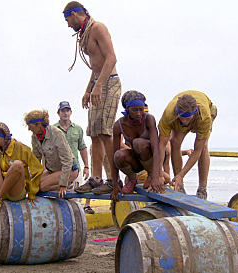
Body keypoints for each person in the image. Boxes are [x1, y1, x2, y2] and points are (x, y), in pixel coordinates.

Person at [63, 1, 122, 193]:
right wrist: (89, 90)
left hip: (109, 83)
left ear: (74, 14)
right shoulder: (85, 33)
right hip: (98, 83)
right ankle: (96, 179)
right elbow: (96, 66)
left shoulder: (98, 28)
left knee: (105, 132)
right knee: (94, 134)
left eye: (67, 20)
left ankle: (114, 180)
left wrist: (99, 86)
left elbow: (111, 58)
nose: (68, 25)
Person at [157, 91, 217, 200]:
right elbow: (161, 145)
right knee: (175, 142)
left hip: (207, 109)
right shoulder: (170, 113)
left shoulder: (204, 117)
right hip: (178, 116)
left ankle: (202, 189)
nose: (184, 122)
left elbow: (197, 150)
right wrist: (158, 174)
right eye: (182, 118)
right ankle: (179, 187)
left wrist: (182, 174)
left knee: (203, 147)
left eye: (187, 119)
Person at [108, 90, 165, 200]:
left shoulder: (149, 119)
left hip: (151, 157)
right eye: (135, 110)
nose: (139, 113)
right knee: (118, 155)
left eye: (141, 109)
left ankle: (150, 174)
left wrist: (156, 176)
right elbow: (113, 157)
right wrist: (115, 184)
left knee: (138, 143)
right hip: (136, 161)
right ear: (127, 109)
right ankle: (132, 178)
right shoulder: (118, 125)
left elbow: (156, 149)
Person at [0, 122, 44, 214]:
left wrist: (31, 193)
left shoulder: (21, 148)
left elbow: (38, 170)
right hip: (0, 188)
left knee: (17, 164)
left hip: (15, 191)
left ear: (0, 137)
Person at [25, 110, 78, 198]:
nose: (29, 129)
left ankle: (69, 184)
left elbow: (67, 160)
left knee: (42, 186)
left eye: (30, 126)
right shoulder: (35, 137)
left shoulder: (56, 134)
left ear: (38, 124)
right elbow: (35, 160)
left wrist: (63, 184)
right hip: (53, 170)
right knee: (33, 185)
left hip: (69, 170)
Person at [54, 101, 93, 214]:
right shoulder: (53, 129)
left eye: (67, 110)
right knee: (59, 198)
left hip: (75, 169)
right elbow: (47, 151)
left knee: (76, 198)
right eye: (63, 111)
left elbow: (82, 147)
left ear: (70, 112)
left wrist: (86, 166)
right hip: (59, 169)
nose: (65, 113)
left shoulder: (77, 128)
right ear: (58, 113)